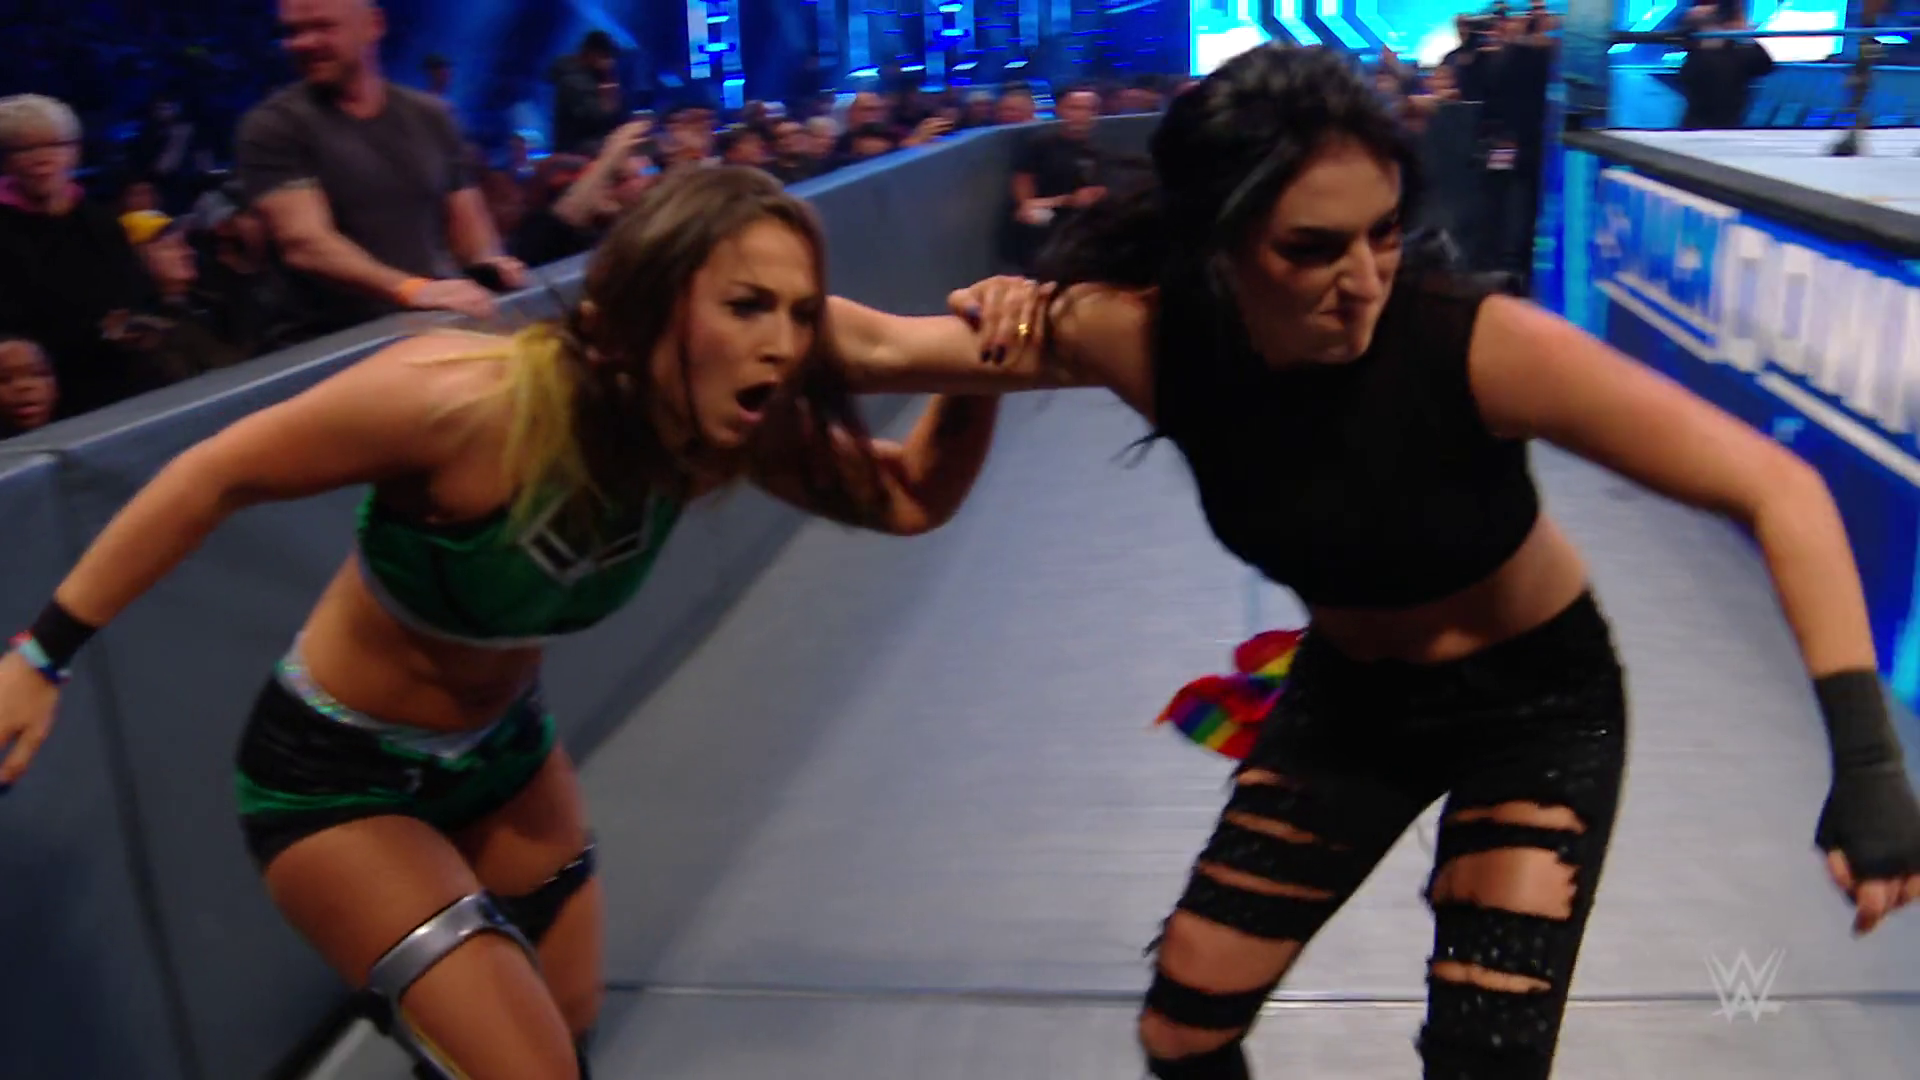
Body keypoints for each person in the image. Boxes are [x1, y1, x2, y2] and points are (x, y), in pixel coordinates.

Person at [945, 45, 1920, 1079]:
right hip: (1352, 702)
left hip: (1535, 710)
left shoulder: (1477, 343)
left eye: (1383, 232)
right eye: (1312, 248)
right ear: (1217, 245)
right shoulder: (1156, 340)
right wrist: (991, 312)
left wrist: (1867, 762)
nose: (1364, 280)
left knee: (1483, 1059)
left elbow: (1779, 489)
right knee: (1184, 1030)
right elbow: (875, 354)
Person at [0, 166, 1026, 1080]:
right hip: (335, 776)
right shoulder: (463, 399)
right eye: (747, 305)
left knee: (561, 1030)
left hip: (504, 756)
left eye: (801, 315)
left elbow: (908, 497)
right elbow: (213, 474)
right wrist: (42, 654)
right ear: (643, 307)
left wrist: (980, 359)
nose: (783, 345)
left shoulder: (714, 432)